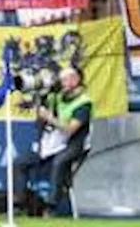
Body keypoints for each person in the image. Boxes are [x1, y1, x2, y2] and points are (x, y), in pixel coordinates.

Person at [14, 65, 93, 216]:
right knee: (19, 163)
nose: (61, 83)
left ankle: (51, 207)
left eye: (64, 79)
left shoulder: (84, 102)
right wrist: (38, 101)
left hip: (74, 143)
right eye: (61, 79)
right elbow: (40, 119)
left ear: (75, 80)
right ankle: (19, 203)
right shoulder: (56, 96)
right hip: (51, 142)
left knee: (59, 163)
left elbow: (71, 129)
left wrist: (50, 117)